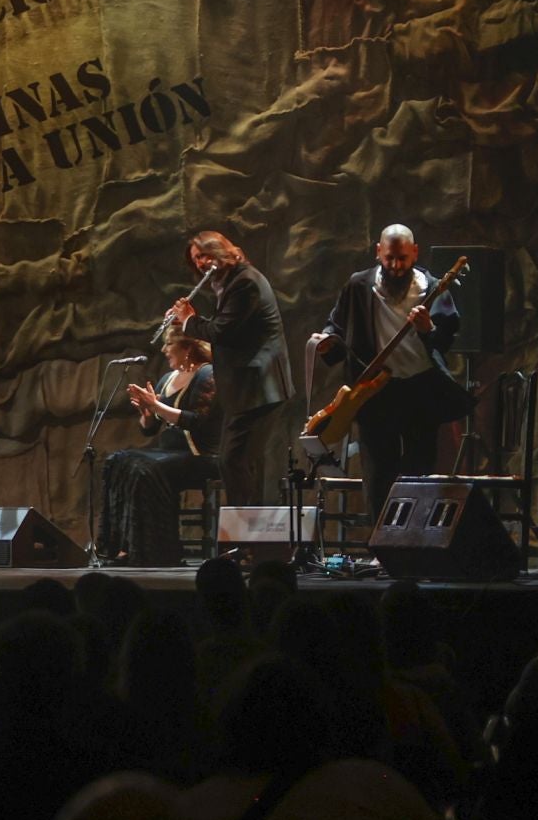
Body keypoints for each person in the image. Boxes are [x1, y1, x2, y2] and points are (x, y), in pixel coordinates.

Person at [313, 224, 473, 521]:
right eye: (389, 259)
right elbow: (336, 326)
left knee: (419, 468)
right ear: (378, 253)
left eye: (402, 258)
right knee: (378, 470)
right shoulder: (359, 286)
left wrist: (428, 329)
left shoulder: (432, 287)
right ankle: (380, 541)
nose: (396, 267)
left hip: (420, 387)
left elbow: (446, 338)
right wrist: (326, 343)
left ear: (415, 253)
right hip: (375, 390)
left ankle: (411, 537)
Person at [166, 231, 292, 507]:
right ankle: (248, 540)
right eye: (196, 259)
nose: (201, 263)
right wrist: (185, 322)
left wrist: (189, 320)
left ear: (221, 252)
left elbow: (222, 330)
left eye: (205, 256)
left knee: (233, 460)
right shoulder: (232, 282)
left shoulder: (244, 282)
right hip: (250, 390)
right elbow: (229, 328)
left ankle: (246, 536)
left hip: (259, 388)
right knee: (242, 462)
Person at [101, 333, 221, 566]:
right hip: (168, 455)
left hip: (200, 455)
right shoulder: (167, 378)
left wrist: (155, 405)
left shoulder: (208, 374)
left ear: (187, 347)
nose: (164, 349)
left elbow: (197, 422)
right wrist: (147, 415)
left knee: (146, 469)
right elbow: (151, 428)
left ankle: (156, 550)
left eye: (169, 344)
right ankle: (127, 545)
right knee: (119, 461)